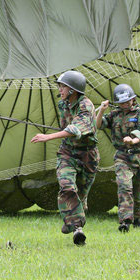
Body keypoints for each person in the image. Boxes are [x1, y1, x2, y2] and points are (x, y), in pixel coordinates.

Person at [30, 70, 99, 246]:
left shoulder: (86, 106)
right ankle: (77, 229)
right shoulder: (63, 104)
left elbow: (75, 129)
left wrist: (47, 137)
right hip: (67, 152)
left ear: (73, 90)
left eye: (63, 86)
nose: (60, 90)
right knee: (67, 187)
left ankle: (71, 219)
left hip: (88, 155)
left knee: (81, 197)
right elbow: (67, 129)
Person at [96, 84, 140, 232]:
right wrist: (101, 110)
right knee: (124, 186)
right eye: (121, 102)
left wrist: (133, 141)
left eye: (127, 101)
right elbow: (98, 124)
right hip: (122, 156)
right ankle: (125, 221)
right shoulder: (114, 114)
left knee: (138, 193)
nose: (125, 104)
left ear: (133, 99)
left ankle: (137, 217)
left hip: (139, 157)